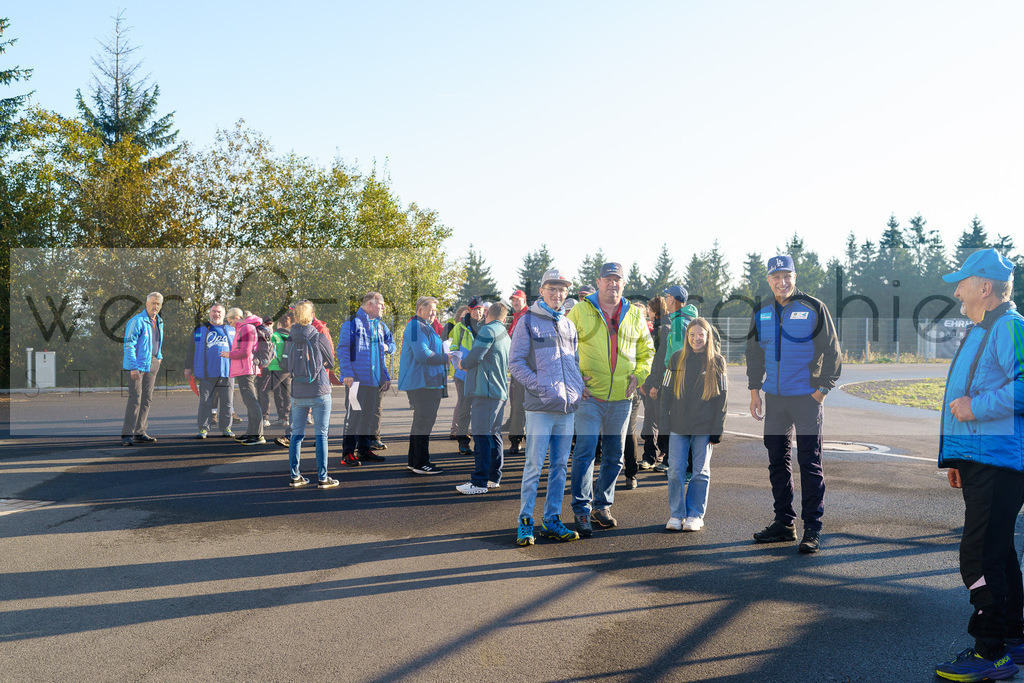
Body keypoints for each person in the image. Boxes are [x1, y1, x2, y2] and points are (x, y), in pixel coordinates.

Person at [935, 249, 1024, 682]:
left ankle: (990, 654)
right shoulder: (982, 328)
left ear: (984, 287)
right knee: (1000, 551)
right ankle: (1013, 637)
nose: (956, 290)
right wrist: (957, 456)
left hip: (1000, 460)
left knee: (978, 558)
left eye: (963, 282)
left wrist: (977, 408)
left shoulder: (1009, 325)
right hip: (980, 458)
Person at [746, 255, 841, 554]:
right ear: (769, 280)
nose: (782, 282)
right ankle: (784, 523)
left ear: (795, 277)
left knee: (809, 463)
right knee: (777, 460)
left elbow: (833, 351)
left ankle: (813, 527)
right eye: (776, 277)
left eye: (787, 276)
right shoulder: (761, 312)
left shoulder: (814, 307)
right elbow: (754, 354)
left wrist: (822, 390)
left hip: (806, 399)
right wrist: (754, 391)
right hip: (774, 399)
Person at [566, 262, 654, 536]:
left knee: (615, 457)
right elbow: (565, 348)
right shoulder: (581, 310)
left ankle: (601, 506)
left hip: (621, 398)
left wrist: (638, 376)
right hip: (590, 397)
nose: (613, 284)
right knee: (586, 452)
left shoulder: (635, 315)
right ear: (599, 281)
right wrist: (576, 381)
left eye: (617, 279)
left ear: (623, 283)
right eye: (608, 279)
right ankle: (581, 508)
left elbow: (646, 350)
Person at [510, 269, 584, 545]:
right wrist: (540, 386)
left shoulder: (568, 325)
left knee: (560, 467)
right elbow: (515, 363)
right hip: (539, 407)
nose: (557, 293)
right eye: (552, 288)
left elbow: (573, 362)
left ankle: (552, 519)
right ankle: (525, 521)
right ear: (541, 291)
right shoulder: (527, 321)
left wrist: (576, 387)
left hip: (566, 409)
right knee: (533, 466)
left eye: (562, 289)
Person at [662, 317, 727, 532]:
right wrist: (663, 426)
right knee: (675, 471)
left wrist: (717, 429)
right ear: (687, 337)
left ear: (707, 337)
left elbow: (722, 399)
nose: (696, 339)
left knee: (700, 472)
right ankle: (676, 514)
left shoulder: (717, 361)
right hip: (678, 426)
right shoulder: (675, 359)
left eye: (700, 335)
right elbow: (665, 394)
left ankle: (695, 515)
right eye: (692, 335)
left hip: (704, 428)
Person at [454, 301, 512, 495]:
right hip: (498, 391)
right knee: (493, 434)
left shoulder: (488, 331)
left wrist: (462, 363)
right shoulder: (504, 334)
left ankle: (478, 482)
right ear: (504, 318)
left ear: (487, 314)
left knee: (481, 435)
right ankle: (493, 477)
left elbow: (475, 357)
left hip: (485, 391)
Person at [286, 300, 338, 489]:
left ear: (295, 316)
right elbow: (331, 362)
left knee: (296, 435)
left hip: (298, 392)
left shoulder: (290, 338)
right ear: (311, 314)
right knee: (321, 435)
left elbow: (286, 364)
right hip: (319, 390)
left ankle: (295, 476)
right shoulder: (318, 336)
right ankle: (323, 478)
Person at [337, 292, 392, 467]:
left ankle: (364, 449)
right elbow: (343, 349)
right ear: (370, 305)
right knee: (354, 417)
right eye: (381, 304)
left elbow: (381, 355)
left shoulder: (379, 326)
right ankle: (347, 453)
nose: (383, 307)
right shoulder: (352, 324)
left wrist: (385, 376)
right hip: (356, 382)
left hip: (373, 382)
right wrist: (347, 373)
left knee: (368, 416)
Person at [399, 296, 451, 475]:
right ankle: (421, 463)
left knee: (421, 423)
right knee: (424, 423)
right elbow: (422, 354)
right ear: (419, 309)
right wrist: (447, 357)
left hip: (427, 382)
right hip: (423, 382)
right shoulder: (415, 327)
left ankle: (415, 461)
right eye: (430, 310)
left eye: (435, 311)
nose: (433, 314)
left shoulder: (424, 327)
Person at [185, 303, 236, 439]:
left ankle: (226, 427)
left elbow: (238, 351)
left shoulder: (231, 330)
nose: (216, 314)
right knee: (205, 401)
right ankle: (203, 429)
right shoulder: (200, 329)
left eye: (219, 312)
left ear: (224, 314)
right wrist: (188, 367)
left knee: (227, 402)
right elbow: (191, 349)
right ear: (210, 313)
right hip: (207, 373)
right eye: (213, 311)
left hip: (227, 373)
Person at [121, 292, 164, 446]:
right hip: (137, 366)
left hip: (153, 364)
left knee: (147, 398)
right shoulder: (137, 321)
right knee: (135, 399)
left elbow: (157, 342)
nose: (155, 306)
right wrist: (133, 367)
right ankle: (127, 434)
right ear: (146, 304)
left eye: (158, 304)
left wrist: (159, 357)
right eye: (153, 303)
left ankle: (140, 432)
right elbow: (129, 345)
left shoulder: (159, 321)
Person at [222, 308, 266, 445]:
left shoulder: (246, 328)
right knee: (249, 402)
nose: (229, 325)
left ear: (236, 317)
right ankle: (251, 432)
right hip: (244, 369)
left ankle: (258, 435)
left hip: (246, 369)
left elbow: (245, 352)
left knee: (252, 402)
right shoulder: (244, 328)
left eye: (230, 321)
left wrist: (229, 354)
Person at [449, 297, 486, 454]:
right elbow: (453, 348)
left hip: (482, 374)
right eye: (475, 309)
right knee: (464, 409)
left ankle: (480, 442)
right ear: (469, 310)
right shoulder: (460, 326)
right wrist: (459, 364)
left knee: (481, 409)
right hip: (463, 375)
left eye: (480, 309)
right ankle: (463, 442)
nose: (478, 312)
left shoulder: (487, 326)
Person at [505, 289, 529, 454]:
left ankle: (517, 440)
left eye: (517, 300)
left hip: (526, 370)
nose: (514, 303)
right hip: (516, 370)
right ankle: (516, 439)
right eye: (513, 300)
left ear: (524, 300)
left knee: (522, 406)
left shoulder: (528, 316)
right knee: (516, 405)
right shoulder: (515, 318)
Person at [266, 313, 293, 448]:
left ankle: (270, 418)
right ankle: (286, 417)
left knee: (270, 390)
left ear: (279, 324)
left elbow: (271, 350)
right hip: (288, 367)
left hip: (276, 366)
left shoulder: (275, 334)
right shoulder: (292, 334)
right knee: (286, 391)